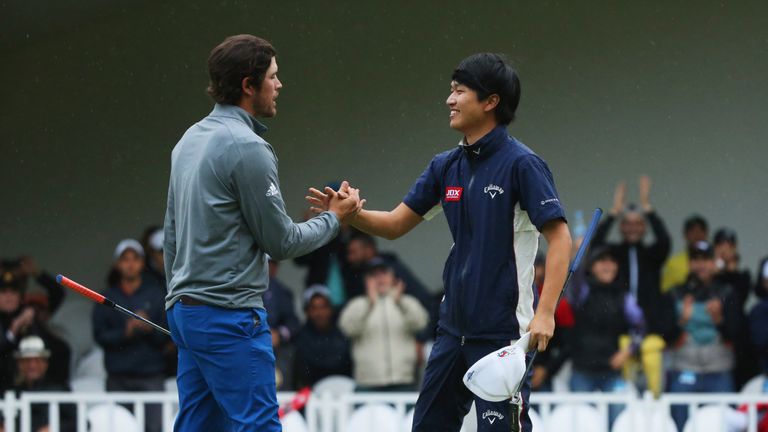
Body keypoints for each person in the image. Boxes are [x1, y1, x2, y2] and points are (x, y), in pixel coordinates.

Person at [308, 53, 571, 432]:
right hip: (452, 332)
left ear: (491, 101)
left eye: (460, 91)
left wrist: (545, 313)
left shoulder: (523, 165)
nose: (449, 100)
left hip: (503, 335)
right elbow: (396, 223)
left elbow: (561, 239)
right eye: (451, 91)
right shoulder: (445, 166)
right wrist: (349, 215)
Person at [162, 34, 360, 432]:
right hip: (228, 315)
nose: (279, 84)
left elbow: (171, 236)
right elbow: (281, 242)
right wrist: (335, 219)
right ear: (248, 86)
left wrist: (181, 306)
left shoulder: (188, 141)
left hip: (186, 311)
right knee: (259, 427)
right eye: (272, 76)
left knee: (199, 427)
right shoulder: (248, 147)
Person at [592, 177, 671, 396]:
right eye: (627, 223)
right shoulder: (615, 254)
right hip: (622, 328)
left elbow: (665, 241)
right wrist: (614, 212)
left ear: (644, 227)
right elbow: (596, 245)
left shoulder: (652, 255)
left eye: (638, 223)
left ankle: (655, 407)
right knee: (625, 383)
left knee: (653, 366)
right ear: (621, 227)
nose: (633, 228)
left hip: (650, 329)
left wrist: (649, 209)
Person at [93, 239, 168, 432]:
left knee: (155, 428)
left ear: (142, 263)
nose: (130, 264)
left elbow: (168, 336)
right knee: (118, 427)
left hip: (151, 376)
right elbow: (100, 337)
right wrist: (125, 332)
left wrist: (148, 328)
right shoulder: (106, 296)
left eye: (135, 259)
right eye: (125, 259)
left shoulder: (157, 294)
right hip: (118, 377)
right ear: (117, 264)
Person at [665, 241, 740, 430]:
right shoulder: (675, 293)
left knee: (726, 422)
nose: (701, 265)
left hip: (718, 371)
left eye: (706, 259)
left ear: (714, 263)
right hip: (684, 369)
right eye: (696, 260)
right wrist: (682, 319)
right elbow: (665, 336)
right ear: (689, 263)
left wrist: (719, 319)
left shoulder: (727, 292)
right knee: (678, 418)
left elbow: (737, 334)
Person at [568, 247, 645, 427]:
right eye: (602, 261)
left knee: (617, 423)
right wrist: (578, 253)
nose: (608, 266)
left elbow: (641, 327)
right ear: (592, 266)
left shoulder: (624, 297)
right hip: (582, 370)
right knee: (581, 425)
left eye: (612, 261)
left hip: (612, 371)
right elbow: (575, 279)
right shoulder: (582, 291)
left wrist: (629, 351)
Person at [339, 258, 429, 391]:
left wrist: (400, 302)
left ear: (393, 277)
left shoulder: (406, 301)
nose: (380, 278)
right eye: (373, 275)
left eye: (384, 273)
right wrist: (369, 303)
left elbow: (421, 323)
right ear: (366, 280)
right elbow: (347, 329)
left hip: (403, 381)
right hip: (367, 383)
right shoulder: (358, 304)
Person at [712, 228, 758, 389]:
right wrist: (715, 271)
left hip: (738, 336)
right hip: (715, 332)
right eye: (721, 244)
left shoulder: (742, 276)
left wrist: (731, 269)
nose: (725, 249)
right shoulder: (709, 275)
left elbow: (739, 298)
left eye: (729, 244)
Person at [293, 285, 352, 388]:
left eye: (324, 307)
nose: (320, 313)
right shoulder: (300, 337)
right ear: (307, 311)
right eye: (314, 308)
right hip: (310, 396)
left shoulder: (344, 332)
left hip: (344, 392)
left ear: (331, 309)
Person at [13, 336, 76, 432]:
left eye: (37, 360)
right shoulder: (13, 392)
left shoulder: (59, 389)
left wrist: (54, 428)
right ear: (19, 364)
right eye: (27, 360)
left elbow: (81, 422)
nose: (32, 365)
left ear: (45, 364)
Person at [264, 256, 301, 389]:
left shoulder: (281, 291)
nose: (270, 267)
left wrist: (279, 334)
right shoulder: (242, 290)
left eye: (273, 263)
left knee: (279, 385)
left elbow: (294, 323)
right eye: (267, 263)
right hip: (248, 347)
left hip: (275, 351)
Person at [662, 215, 709, 292]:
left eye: (701, 231)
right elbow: (665, 292)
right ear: (685, 235)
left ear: (706, 234)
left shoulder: (714, 261)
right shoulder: (673, 263)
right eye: (692, 231)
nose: (697, 235)